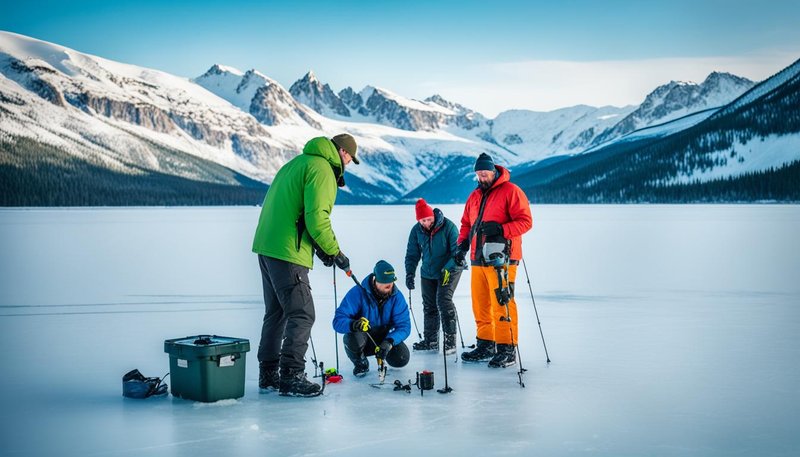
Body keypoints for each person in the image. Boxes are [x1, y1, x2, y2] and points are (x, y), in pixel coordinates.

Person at [252, 133, 359, 397]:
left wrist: (322, 253)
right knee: (303, 313)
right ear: (343, 153)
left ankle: (268, 375)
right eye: (350, 159)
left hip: (267, 247)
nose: (347, 164)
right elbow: (316, 219)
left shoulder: (297, 163)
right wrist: (335, 252)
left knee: (276, 313)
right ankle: (291, 375)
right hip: (288, 251)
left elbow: (297, 212)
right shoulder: (322, 168)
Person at [454, 153, 532, 368]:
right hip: (478, 257)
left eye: (485, 173)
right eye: (478, 174)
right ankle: (486, 344)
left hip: (503, 258)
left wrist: (501, 229)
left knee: (502, 302)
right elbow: (465, 224)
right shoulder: (474, 196)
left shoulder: (511, 191)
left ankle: (507, 348)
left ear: (494, 171)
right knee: (480, 304)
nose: (482, 177)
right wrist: (462, 245)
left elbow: (526, 221)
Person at [333, 260, 411, 377]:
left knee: (401, 358)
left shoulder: (397, 297)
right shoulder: (357, 293)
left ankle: (384, 353)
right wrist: (354, 324)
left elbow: (404, 326)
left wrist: (390, 341)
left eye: (391, 282)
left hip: (384, 338)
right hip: (363, 338)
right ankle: (361, 363)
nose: (390, 286)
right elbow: (338, 321)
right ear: (375, 280)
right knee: (352, 337)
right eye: (385, 283)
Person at [404, 198, 463, 354]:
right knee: (429, 306)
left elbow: (457, 253)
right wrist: (410, 273)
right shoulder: (416, 230)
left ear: (433, 216)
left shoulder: (449, 227)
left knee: (443, 301)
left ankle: (450, 342)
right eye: (422, 220)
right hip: (428, 272)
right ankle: (430, 341)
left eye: (428, 219)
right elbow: (412, 254)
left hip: (450, 270)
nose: (426, 223)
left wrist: (447, 269)